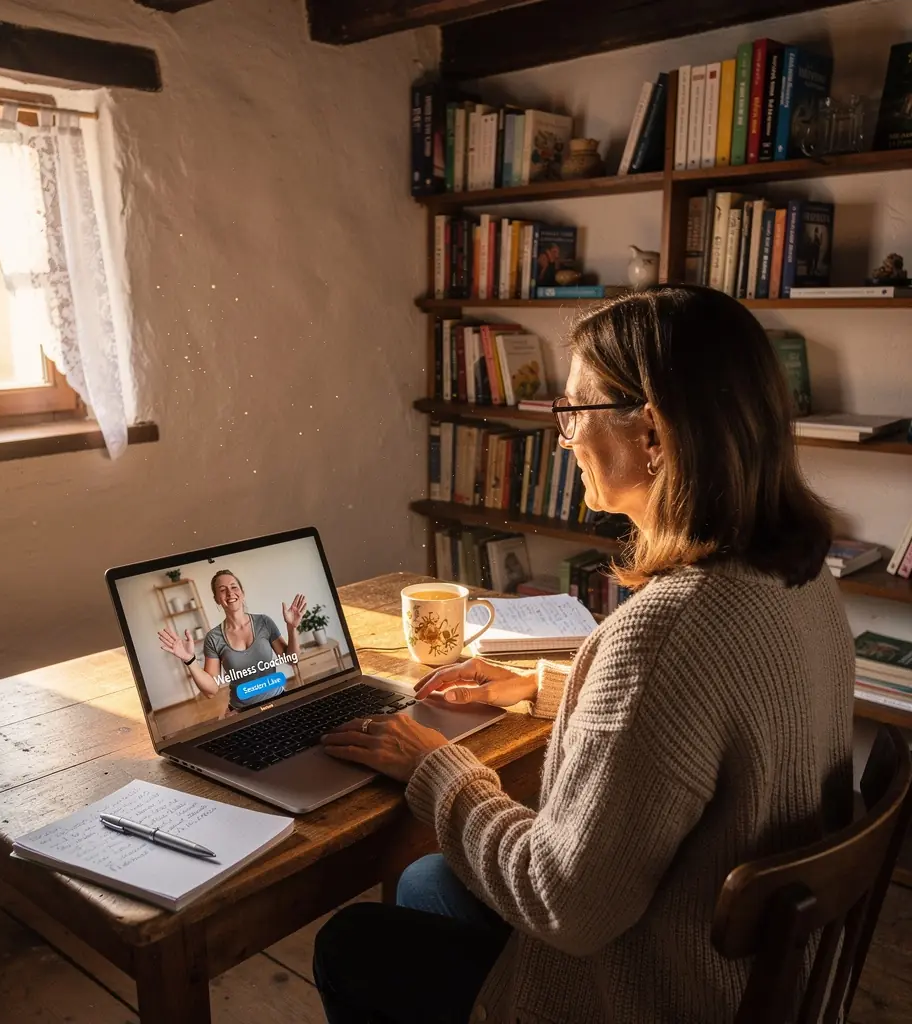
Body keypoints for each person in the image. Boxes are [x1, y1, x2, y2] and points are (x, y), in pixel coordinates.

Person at [314, 286, 854, 1024]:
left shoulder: (669, 629)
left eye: (573, 412)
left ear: (654, 435)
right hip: (745, 969)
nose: (563, 438)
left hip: (647, 992)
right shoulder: (801, 574)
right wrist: (546, 688)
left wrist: (435, 766)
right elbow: (695, 726)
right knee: (433, 882)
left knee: (352, 942)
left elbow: (565, 904)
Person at [158, 570, 306, 710]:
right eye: (222, 590)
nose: (230, 593)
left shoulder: (264, 622)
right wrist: (190, 660)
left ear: (242, 593)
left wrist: (292, 628)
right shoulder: (213, 638)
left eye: (234, 587)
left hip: (278, 699)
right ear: (217, 599)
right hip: (243, 711)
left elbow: (292, 659)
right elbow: (211, 691)